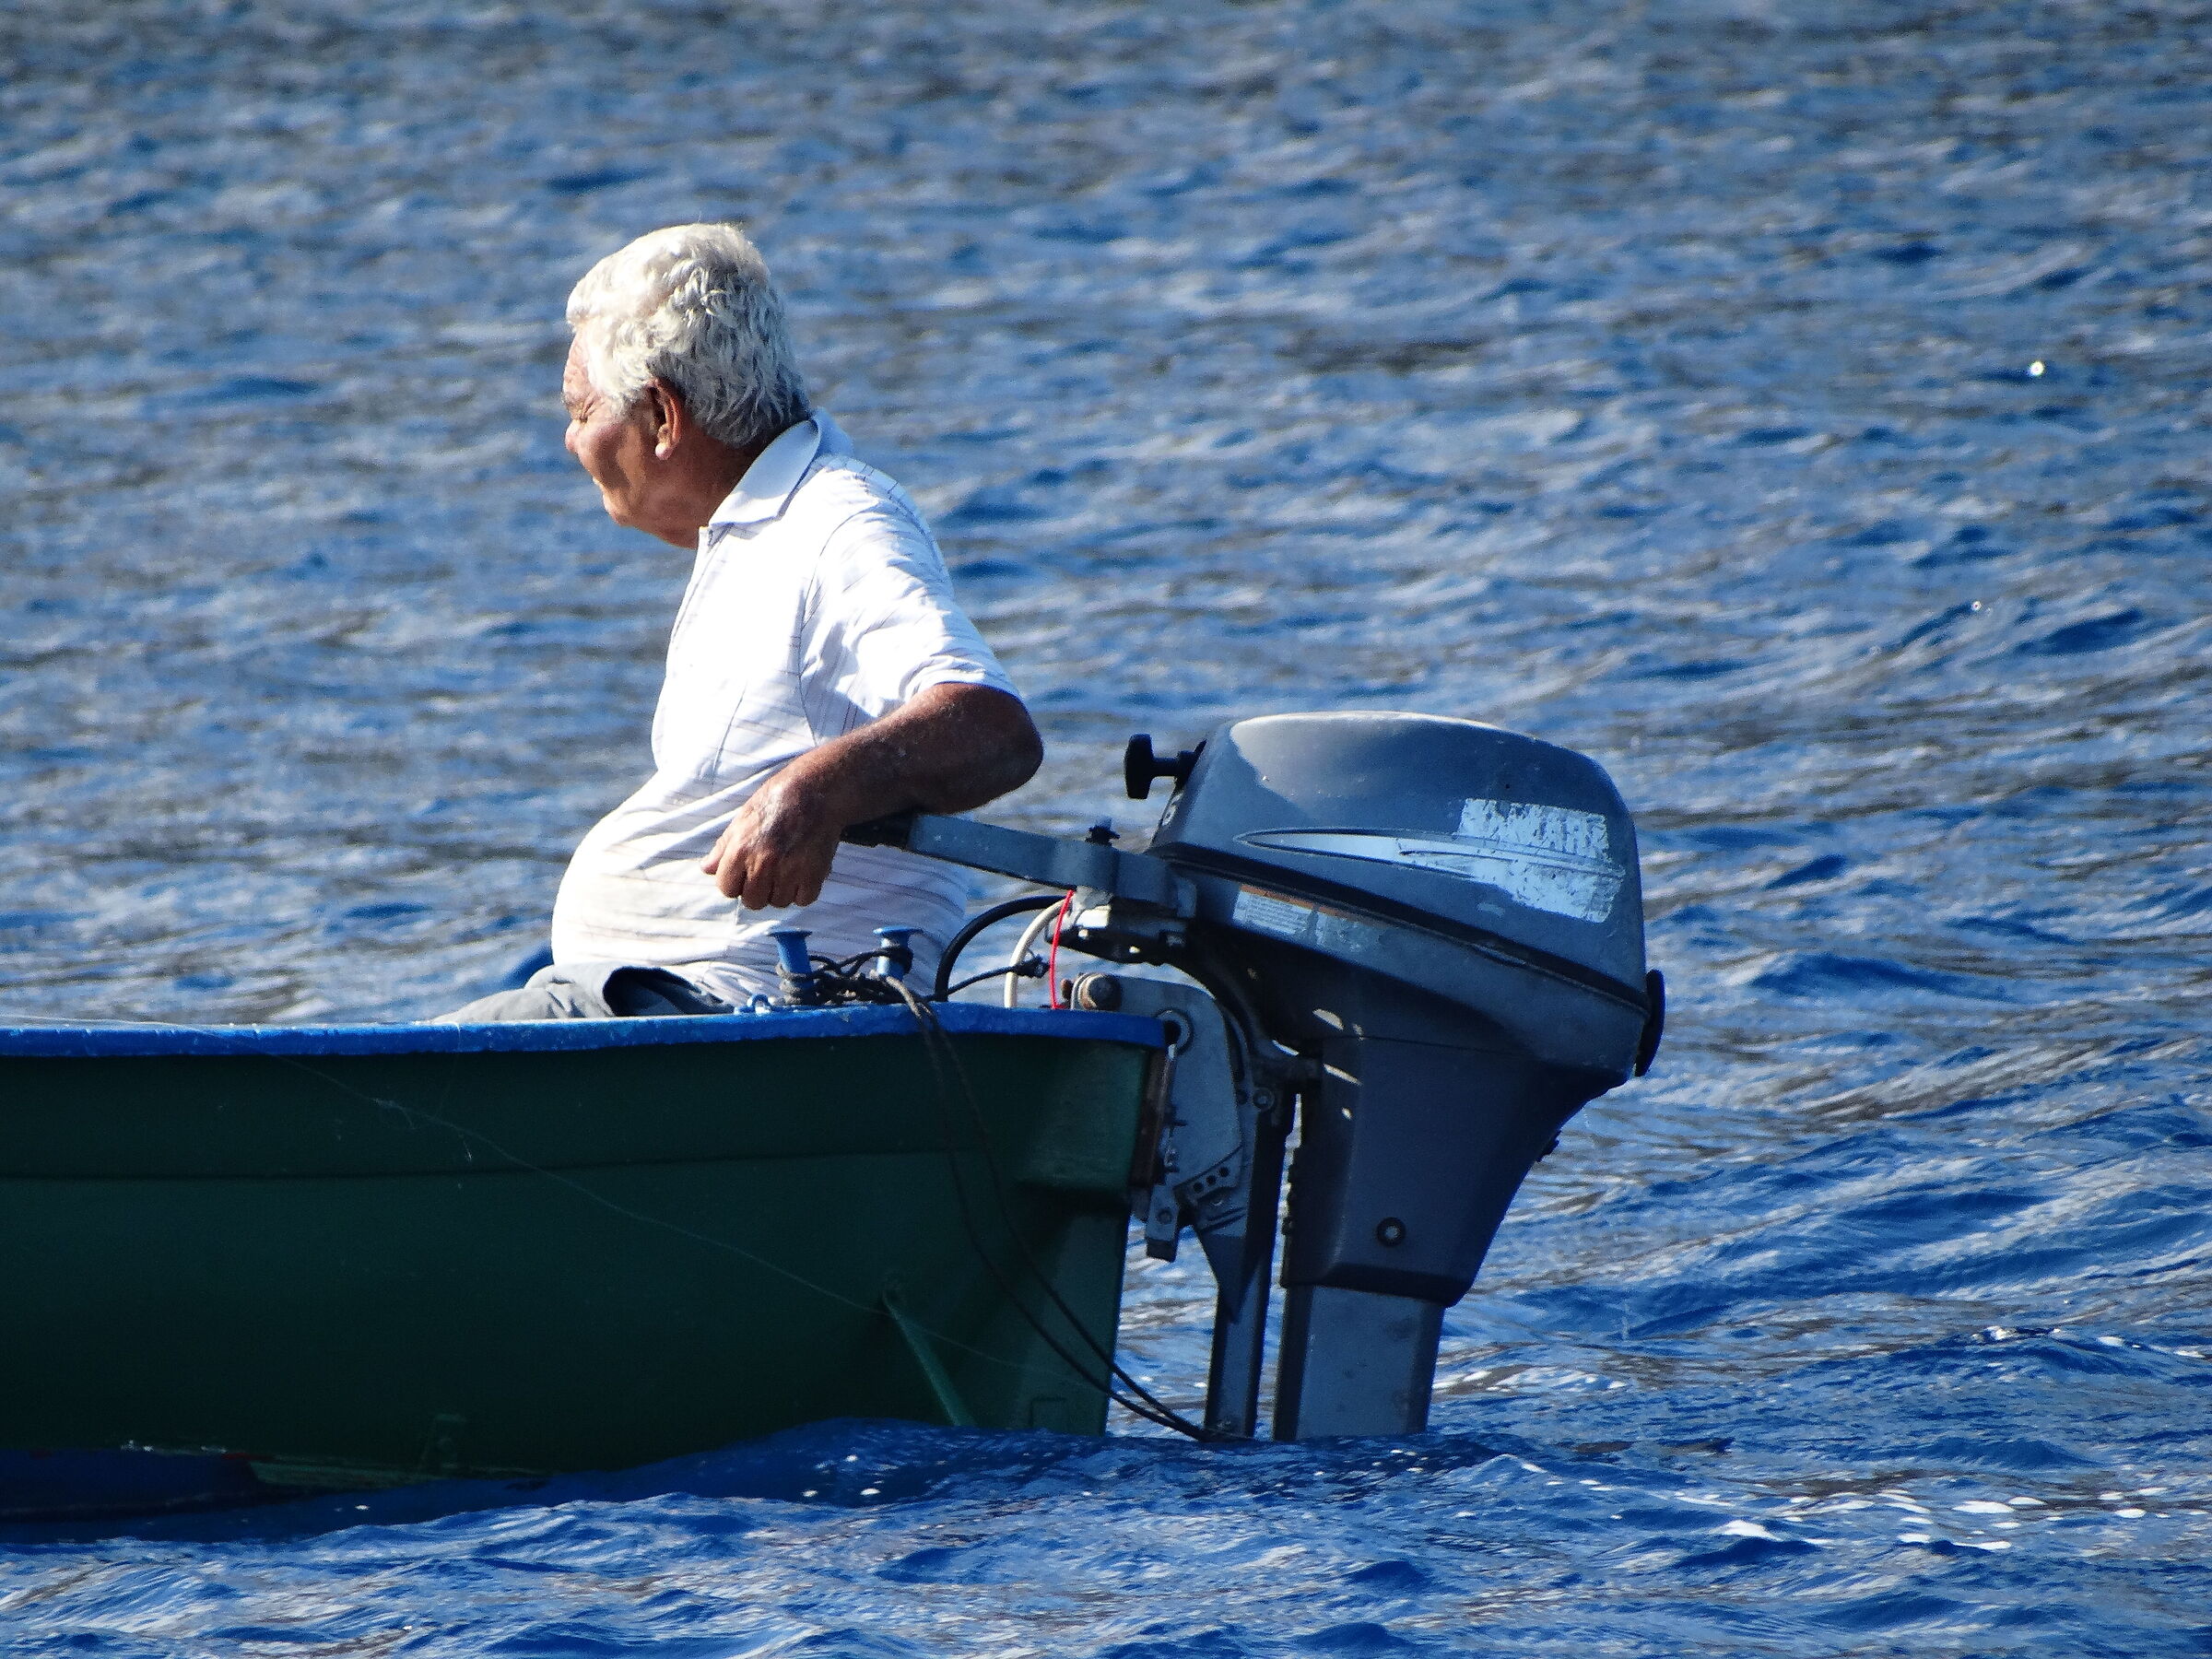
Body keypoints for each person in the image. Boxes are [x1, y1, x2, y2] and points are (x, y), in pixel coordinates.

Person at [441, 224, 1040, 1021]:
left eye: (581, 411)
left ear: (663, 416)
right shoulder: (763, 526)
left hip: (732, 1011)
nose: (571, 440)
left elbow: (993, 728)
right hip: (682, 1005)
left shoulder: (837, 524)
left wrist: (817, 788)